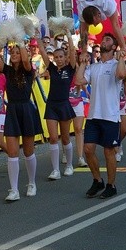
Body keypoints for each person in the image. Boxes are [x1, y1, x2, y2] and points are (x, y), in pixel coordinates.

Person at [75, 32, 126, 199]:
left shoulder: (116, 65)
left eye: (107, 40)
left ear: (113, 47)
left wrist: (120, 58)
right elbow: (78, 81)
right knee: (88, 149)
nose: (103, 41)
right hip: (93, 116)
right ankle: (98, 180)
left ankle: (111, 185)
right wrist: (83, 63)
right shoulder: (95, 67)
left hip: (111, 116)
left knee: (108, 151)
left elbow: (120, 75)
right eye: (103, 39)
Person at [0, 43, 43, 201]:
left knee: (28, 151)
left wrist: (20, 39)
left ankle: (31, 183)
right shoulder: (8, 70)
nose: (15, 54)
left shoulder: (29, 70)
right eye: (13, 52)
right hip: (12, 110)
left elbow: (25, 60)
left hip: (26, 110)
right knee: (12, 152)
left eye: (18, 52)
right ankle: (14, 189)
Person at [37, 31, 77, 180]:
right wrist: (36, 36)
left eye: (61, 57)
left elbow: (72, 51)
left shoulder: (70, 69)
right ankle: (55, 170)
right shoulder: (52, 69)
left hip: (64, 105)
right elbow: (42, 51)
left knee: (65, 138)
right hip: (52, 106)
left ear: (65, 58)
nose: (59, 59)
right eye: (56, 57)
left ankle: (69, 165)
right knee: (53, 138)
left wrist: (68, 35)